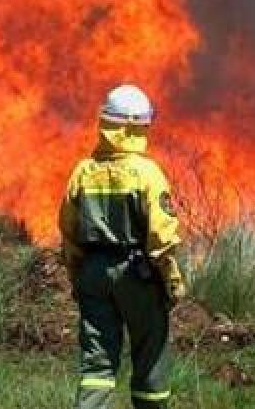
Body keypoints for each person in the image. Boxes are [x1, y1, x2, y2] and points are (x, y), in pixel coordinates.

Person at [58, 84, 186, 409]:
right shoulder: (147, 173)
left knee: (96, 366)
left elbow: (69, 233)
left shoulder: (83, 172)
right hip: (137, 275)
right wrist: (171, 279)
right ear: (136, 127)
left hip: (92, 273)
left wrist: (78, 275)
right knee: (150, 359)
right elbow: (161, 237)